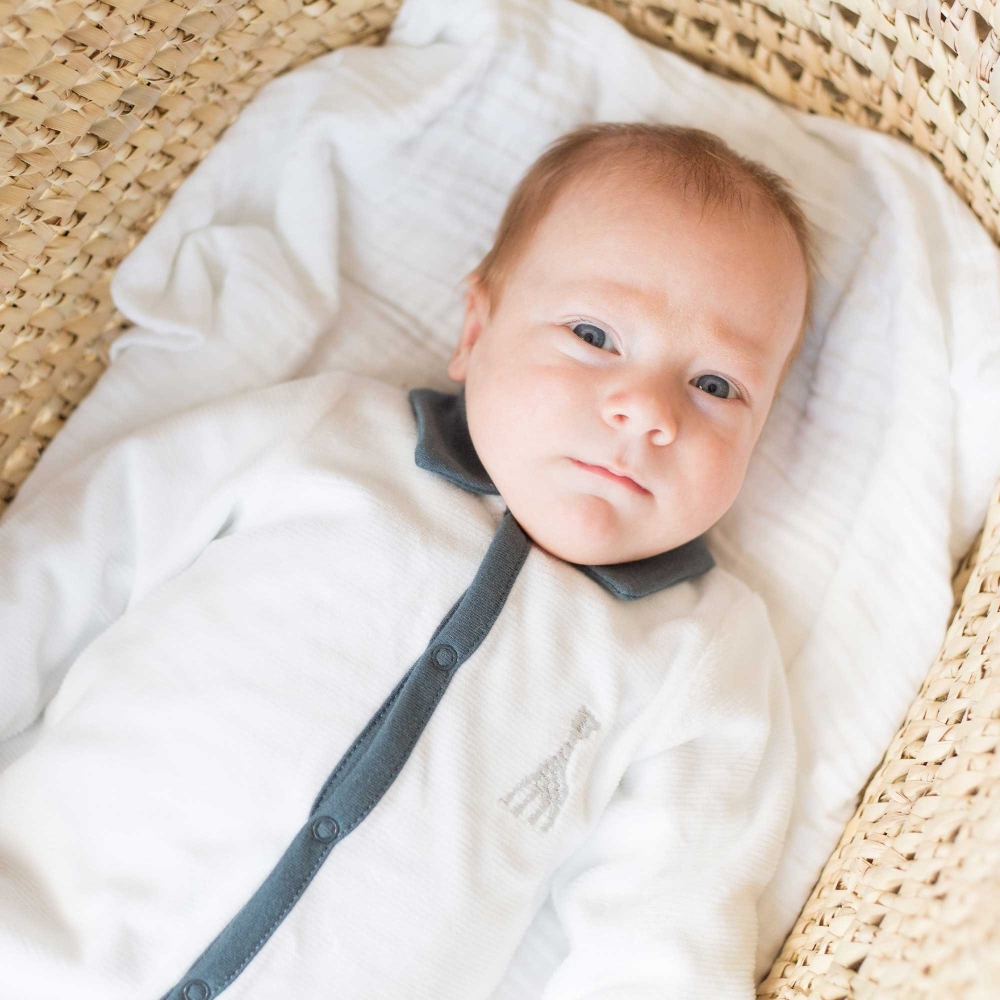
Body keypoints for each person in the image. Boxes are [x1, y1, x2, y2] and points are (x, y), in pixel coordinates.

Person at [0, 122, 814, 1000]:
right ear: (476, 331)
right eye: (594, 333)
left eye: (717, 386)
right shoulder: (328, 439)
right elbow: (74, 561)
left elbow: (673, 923)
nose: (647, 410)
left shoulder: (699, 650)